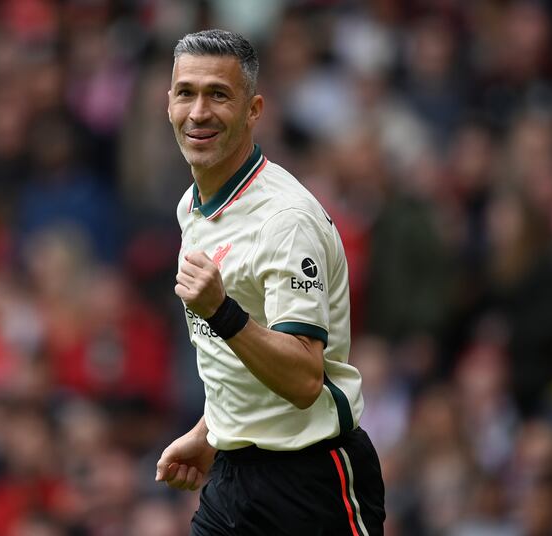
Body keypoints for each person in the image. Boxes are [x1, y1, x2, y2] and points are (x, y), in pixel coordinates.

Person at [155, 29, 386, 535]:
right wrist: (212, 431)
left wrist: (222, 310)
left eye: (218, 94)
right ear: (168, 102)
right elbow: (235, 356)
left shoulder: (286, 219)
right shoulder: (192, 207)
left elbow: (305, 380)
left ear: (254, 109)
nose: (198, 112)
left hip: (311, 481)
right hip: (233, 478)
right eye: (186, 93)